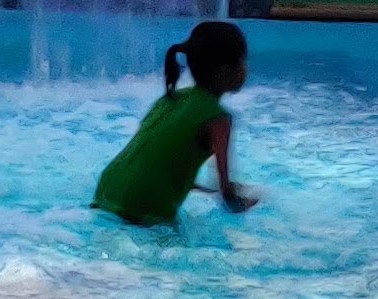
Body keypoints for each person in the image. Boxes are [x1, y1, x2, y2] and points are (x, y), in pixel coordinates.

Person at [92, 21, 258, 226]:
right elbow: (228, 197)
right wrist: (255, 202)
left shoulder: (173, 97)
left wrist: (196, 186)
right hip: (143, 203)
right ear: (226, 71)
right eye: (243, 61)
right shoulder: (218, 119)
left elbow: (155, 154)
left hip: (108, 186)